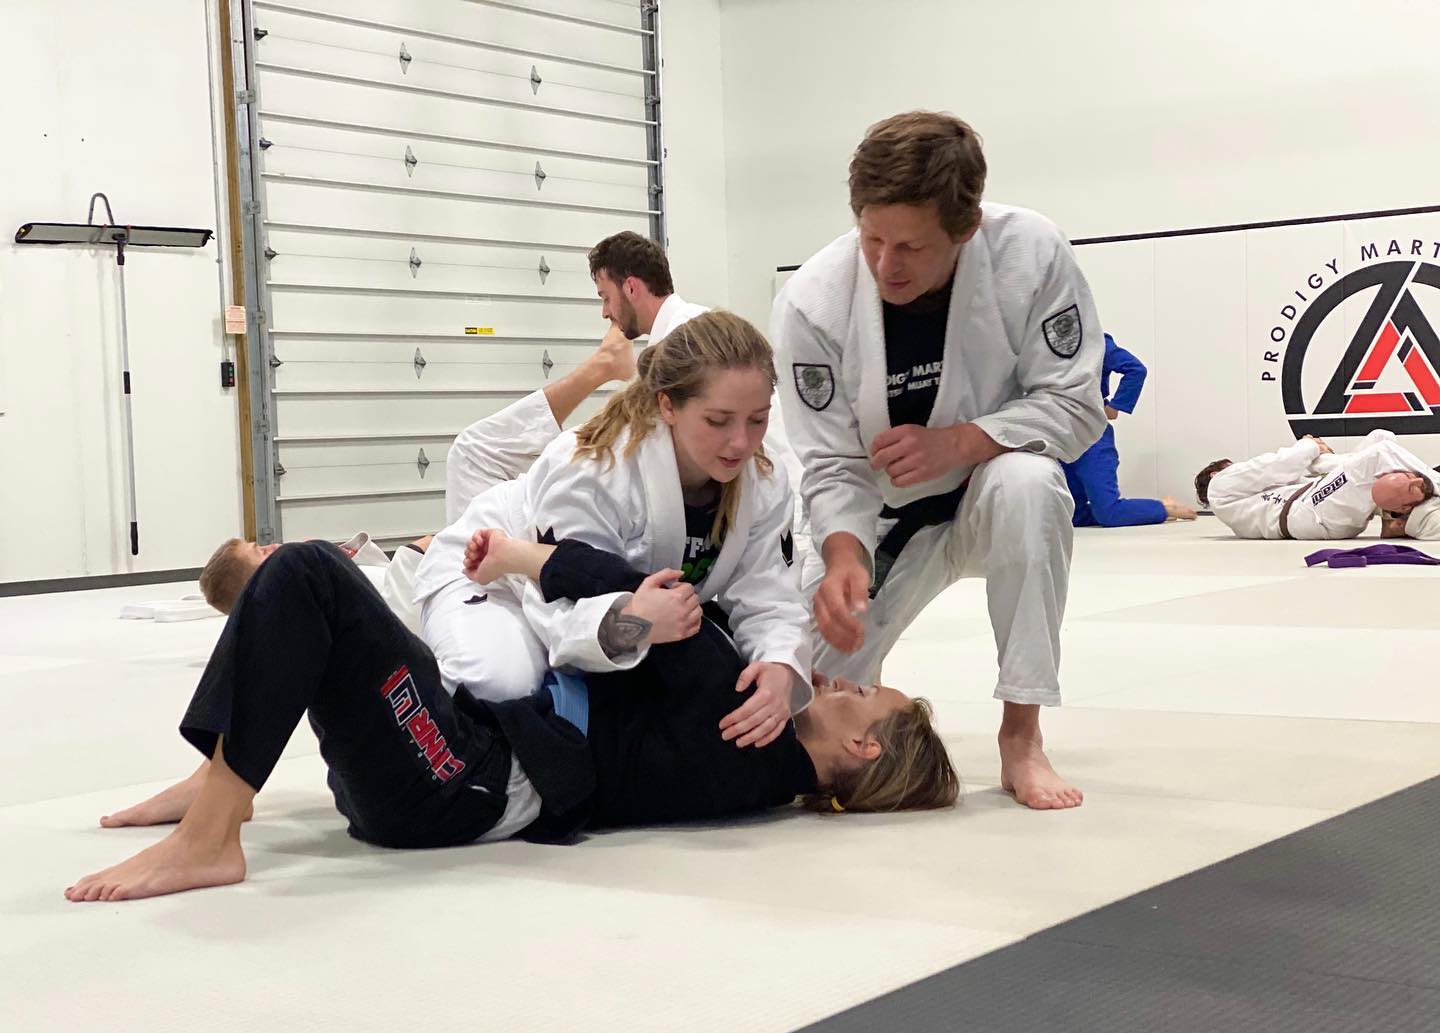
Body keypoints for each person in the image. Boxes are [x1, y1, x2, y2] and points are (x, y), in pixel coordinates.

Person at [65, 533, 957, 903]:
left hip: (460, 781)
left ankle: (215, 832)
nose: (844, 680)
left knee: (303, 573)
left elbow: (650, 595)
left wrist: (528, 554)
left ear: (861, 745)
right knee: (308, 584)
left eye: (865, 693)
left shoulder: (747, 729)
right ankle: (221, 779)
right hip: (465, 748)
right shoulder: (760, 750)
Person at [772, 110, 1105, 810]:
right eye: (872, 238)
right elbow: (829, 462)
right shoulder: (813, 300)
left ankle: (1021, 734)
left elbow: (1077, 409)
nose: (887, 265)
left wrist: (960, 441)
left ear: (967, 226)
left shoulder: (1032, 255)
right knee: (803, 701)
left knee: (1031, 483)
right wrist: (842, 559)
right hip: (885, 519)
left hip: (990, 492)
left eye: (911, 247)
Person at [415, 310, 813, 749]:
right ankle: (396, 594)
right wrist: (635, 624)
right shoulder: (595, 469)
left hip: (622, 611)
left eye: (757, 420)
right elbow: (558, 613)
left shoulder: (764, 478)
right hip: (494, 574)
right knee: (496, 686)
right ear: (668, 406)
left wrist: (779, 666)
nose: (741, 442)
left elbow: (770, 596)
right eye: (718, 421)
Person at [446, 230, 805, 565]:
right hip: (768, 505)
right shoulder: (687, 334)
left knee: (470, 453)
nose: (605, 313)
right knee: (473, 455)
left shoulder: (689, 344)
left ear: (630, 287)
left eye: (605, 297)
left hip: (776, 509)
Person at [1196, 430, 1437, 540]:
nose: (1240, 466)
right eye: (1233, 465)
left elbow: (1298, 472)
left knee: (1380, 439)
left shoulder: (1245, 503)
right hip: (1309, 512)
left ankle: (1392, 520)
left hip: (1314, 504)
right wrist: (1309, 445)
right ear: (1216, 472)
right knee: (1379, 454)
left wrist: (1319, 458)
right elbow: (1275, 464)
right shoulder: (1219, 486)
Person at [1062, 334, 1195, 526]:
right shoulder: (1036, 341)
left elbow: (1135, 369)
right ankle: (1142, 511)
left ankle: (1164, 508)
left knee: (1109, 513)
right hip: (1059, 434)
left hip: (1091, 434)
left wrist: (1116, 406)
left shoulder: (1092, 340)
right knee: (1072, 515)